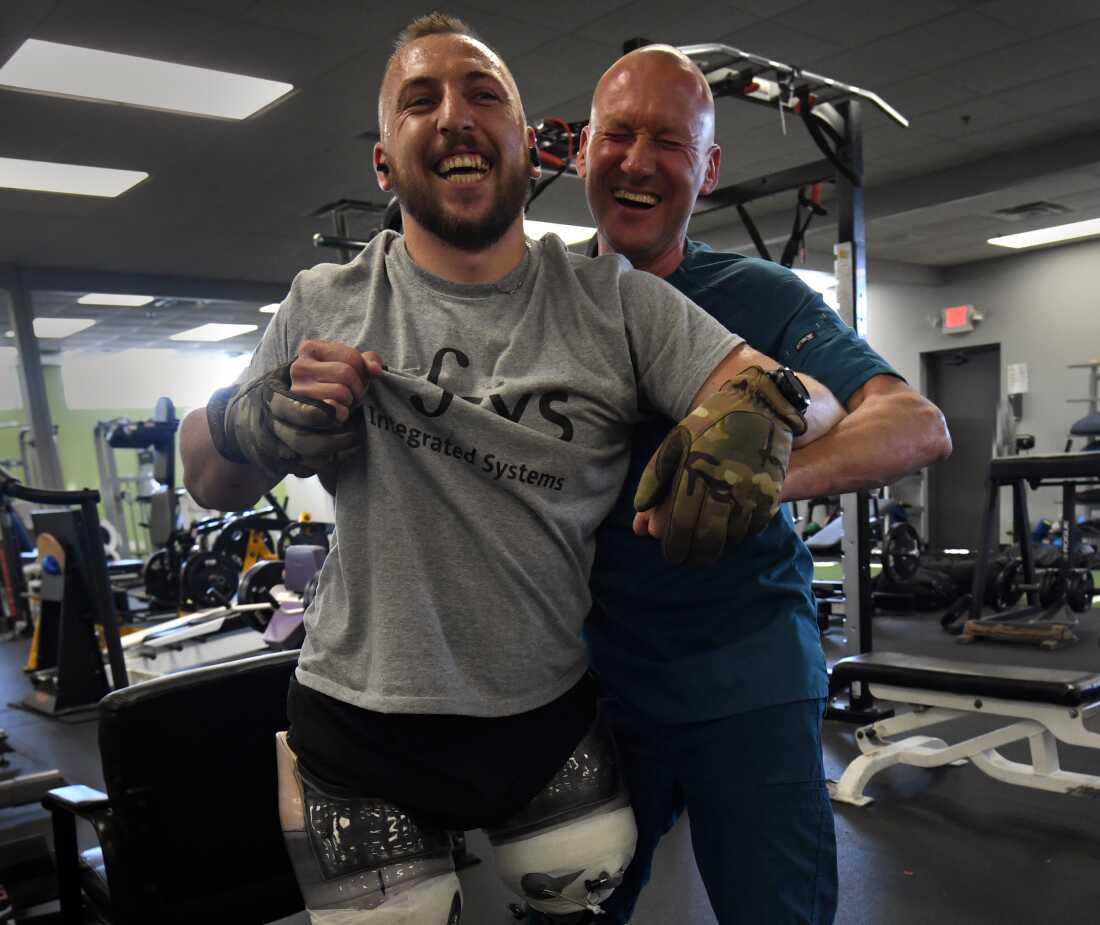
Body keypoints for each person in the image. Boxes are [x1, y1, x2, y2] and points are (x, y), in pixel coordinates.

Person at [181, 16, 845, 924]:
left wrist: (758, 412)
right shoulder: (323, 302)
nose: (455, 115)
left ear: (531, 148)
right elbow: (205, 476)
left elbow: (805, 393)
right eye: (420, 101)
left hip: (548, 724)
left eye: (483, 94)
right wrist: (245, 419)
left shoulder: (617, 302)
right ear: (384, 163)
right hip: (356, 727)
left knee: (587, 900)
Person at [576, 45, 953, 925]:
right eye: (618, 135)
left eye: (669, 142)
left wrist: (759, 478)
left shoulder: (759, 294)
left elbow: (915, 424)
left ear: (707, 170)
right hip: (595, 684)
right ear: (582, 149)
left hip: (744, 676)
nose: (637, 162)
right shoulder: (544, 300)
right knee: (569, 912)